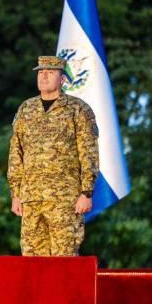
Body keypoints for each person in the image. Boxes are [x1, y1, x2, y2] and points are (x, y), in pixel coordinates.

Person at [7, 56, 99, 257]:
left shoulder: (78, 109)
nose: (44, 76)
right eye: (41, 72)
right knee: (32, 263)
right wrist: (16, 193)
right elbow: (16, 152)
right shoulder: (26, 109)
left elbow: (89, 153)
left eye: (50, 72)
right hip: (31, 198)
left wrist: (87, 192)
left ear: (63, 79)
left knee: (63, 261)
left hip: (65, 199)